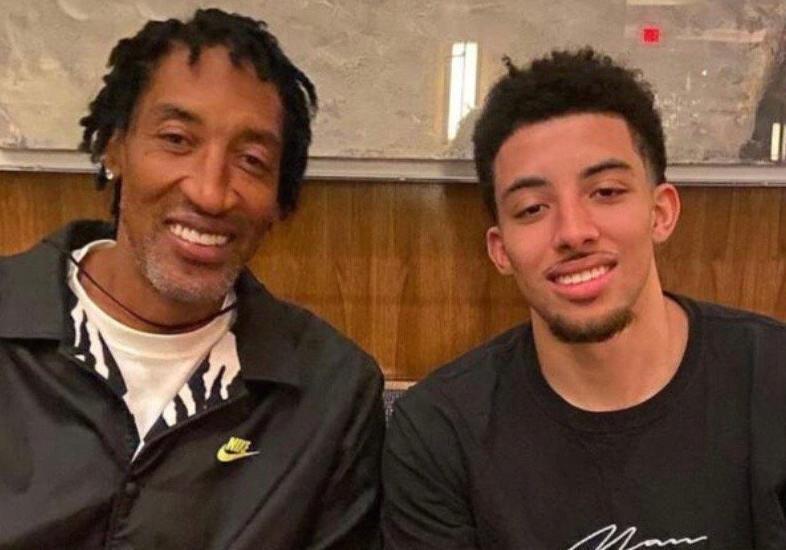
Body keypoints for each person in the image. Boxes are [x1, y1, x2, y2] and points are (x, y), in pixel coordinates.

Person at [0, 9, 384, 549]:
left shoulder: (330, 392)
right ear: (115, 147)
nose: (210, 192)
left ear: (279, 199)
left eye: (251, 160)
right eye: (177, 139)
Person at [382, 48, 786, 549]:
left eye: (606, 192)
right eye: (532, 208)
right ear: (501, 250)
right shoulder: (441, 432)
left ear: (661, 212)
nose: (574, 232)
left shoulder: (772, 379)